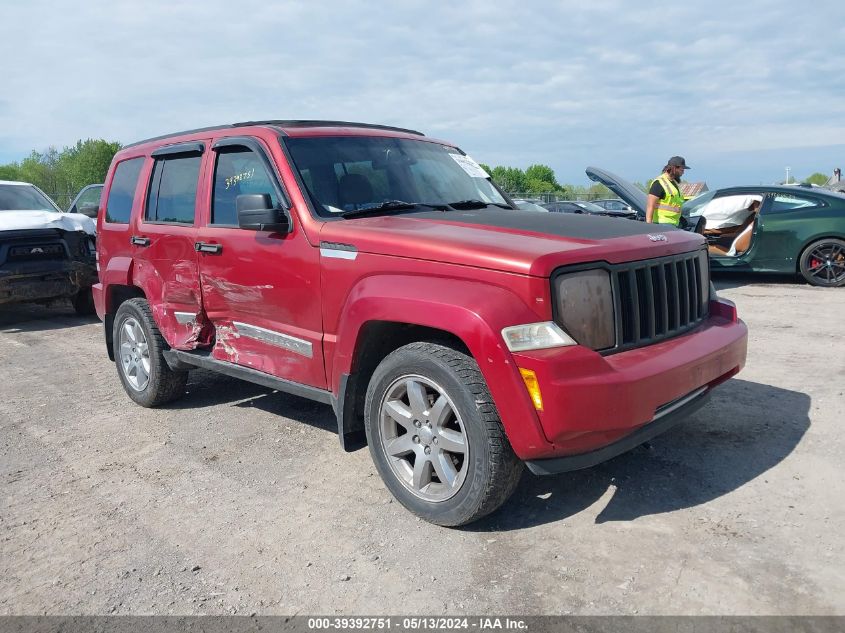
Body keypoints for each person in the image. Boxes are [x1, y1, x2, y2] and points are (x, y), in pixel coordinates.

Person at [646, 156, 690, 225]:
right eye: (682, 170)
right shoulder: (659, 183)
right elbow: (650, 205)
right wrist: (649, 225)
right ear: (674, 168)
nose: (683, 173)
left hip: (674, 223)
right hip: (661, 223)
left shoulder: (674, 183)